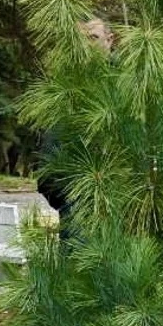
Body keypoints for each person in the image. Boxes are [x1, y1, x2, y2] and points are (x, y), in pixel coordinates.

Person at [36, 18, 114, 240]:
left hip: (125, 208)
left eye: (93, 38)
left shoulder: (130, 85)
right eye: (80, 39)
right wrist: (70, 198)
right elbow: (49, 160)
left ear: (110, 40)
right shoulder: (64, 89)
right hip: (78, 209)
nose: (86, 45)